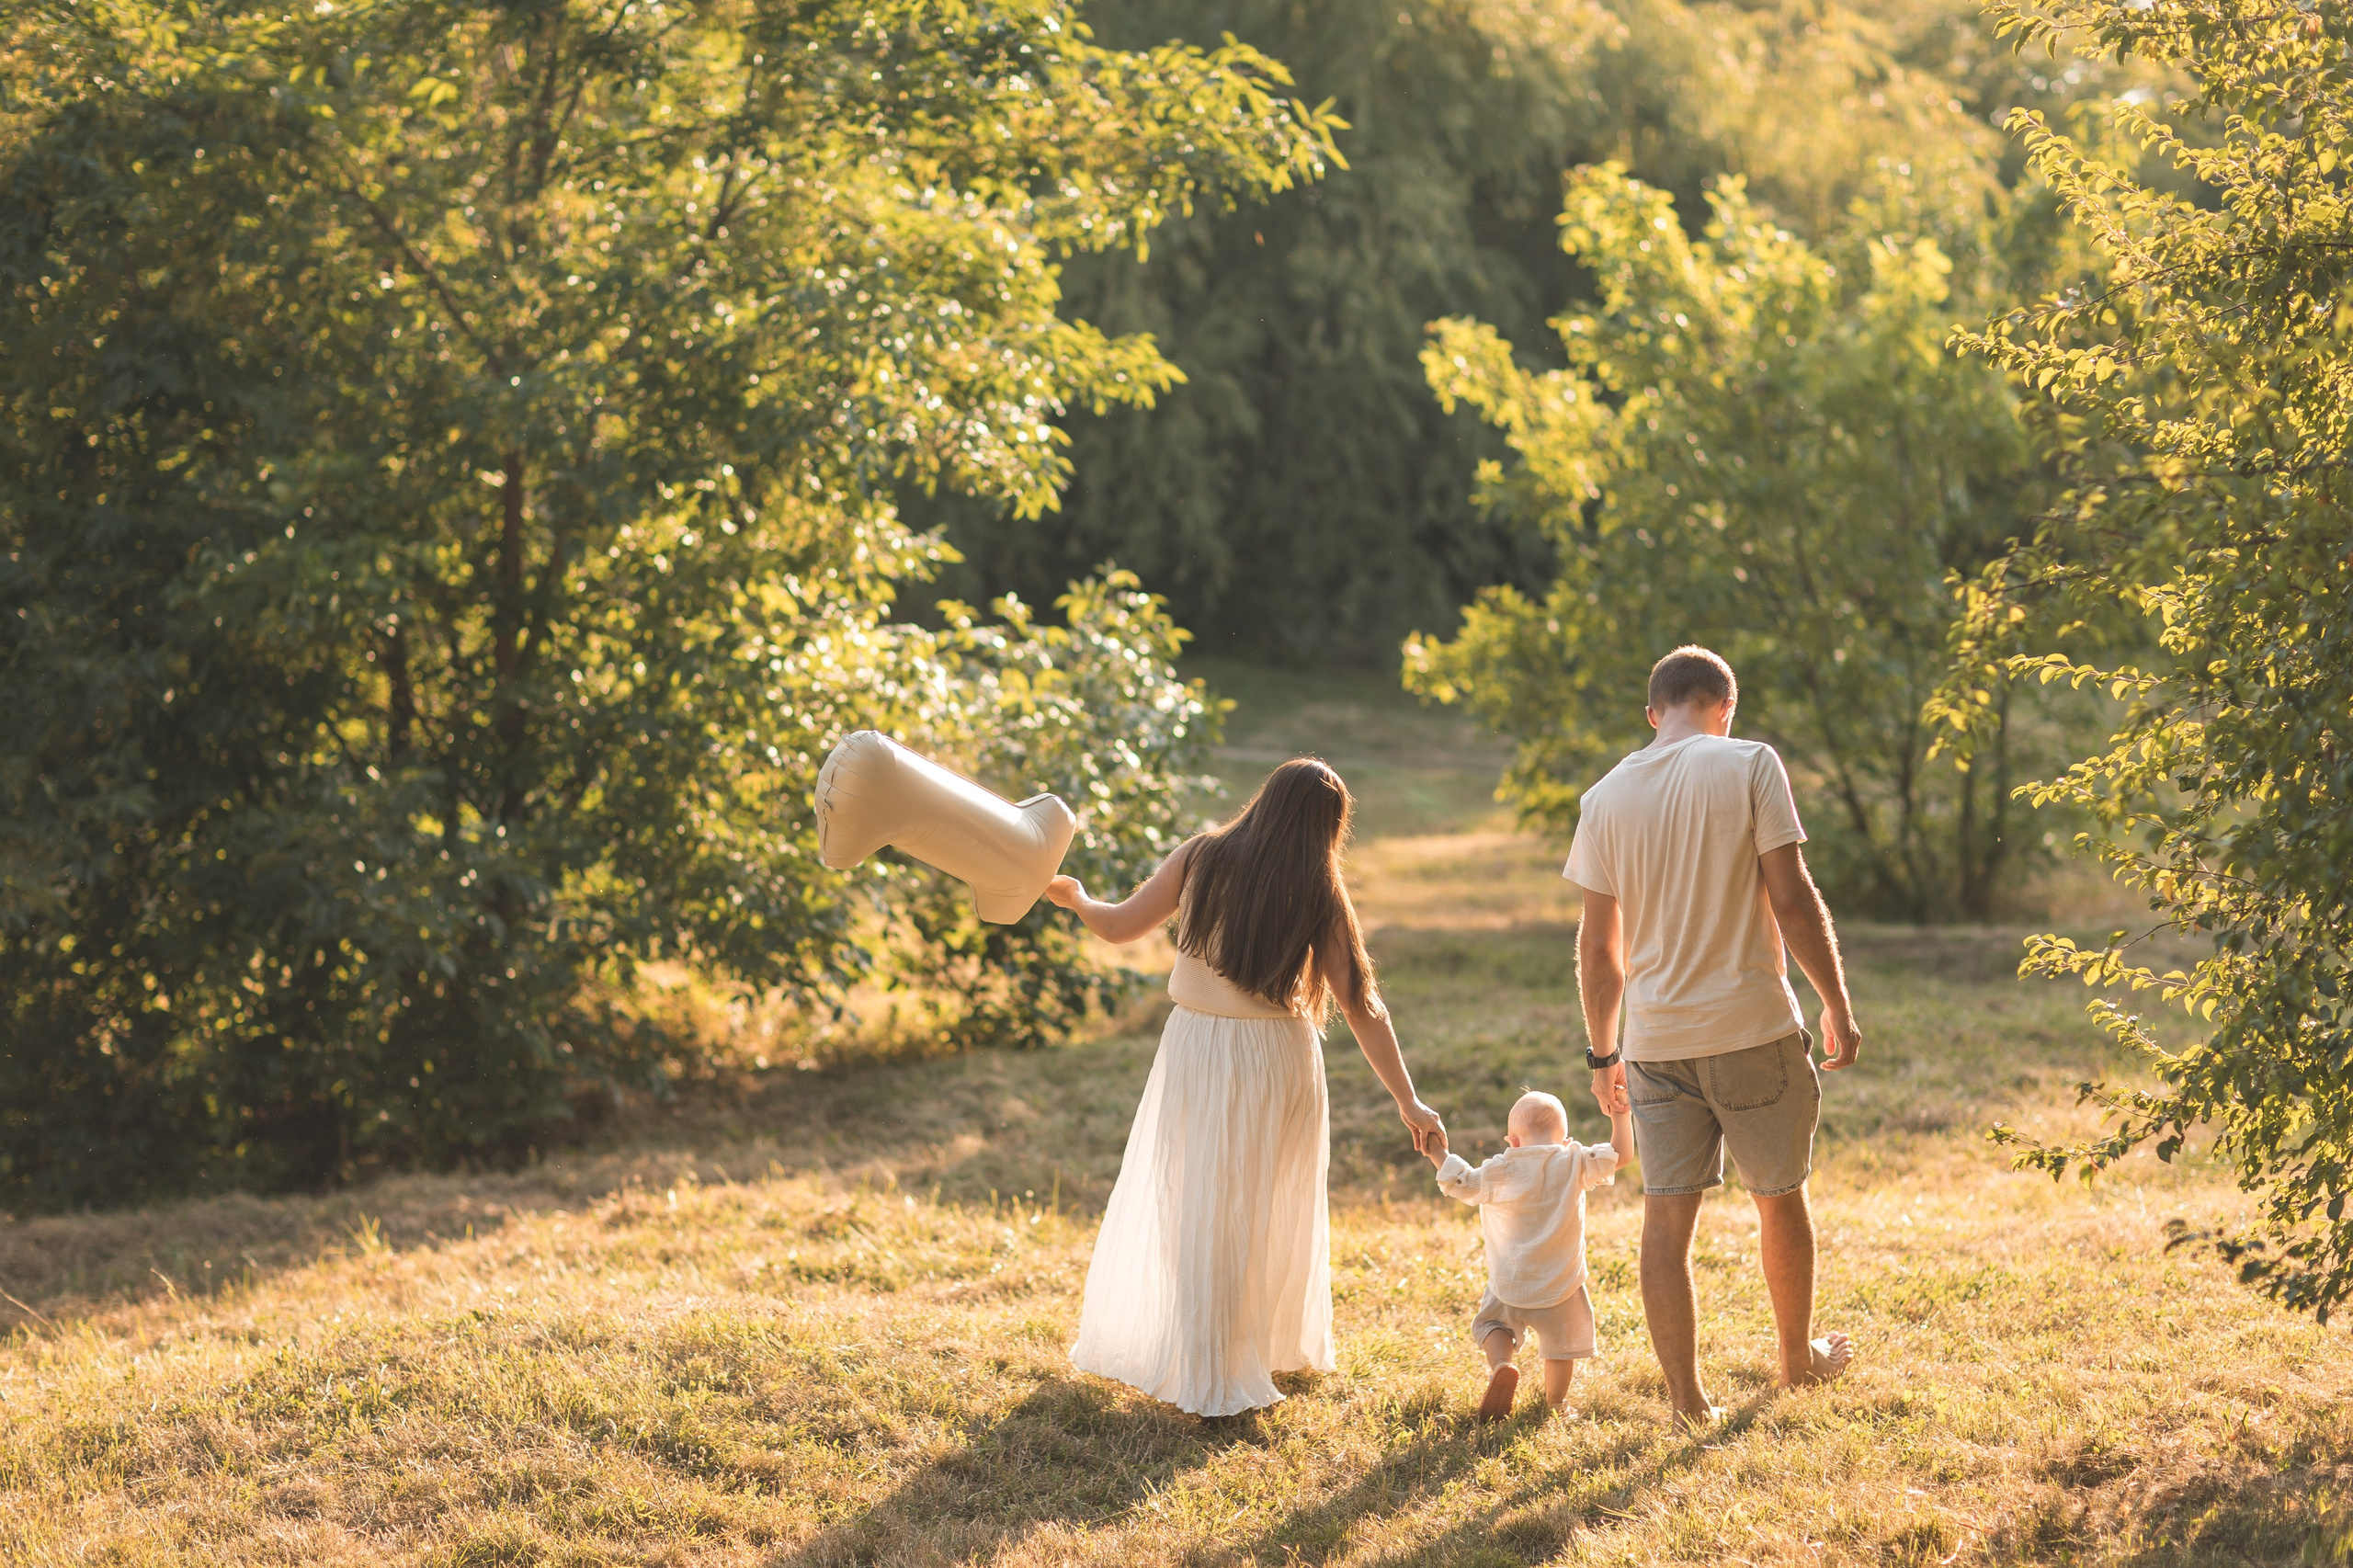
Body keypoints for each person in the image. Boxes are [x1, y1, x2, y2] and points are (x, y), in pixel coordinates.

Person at [1047, 758, 1446, 1417]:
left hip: (1198, 1046)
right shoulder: (1318, 888)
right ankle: (1247, 1349)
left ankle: (1208, 1357)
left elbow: (1117, 926)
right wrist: (1409, 1099)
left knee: (1197, 1200)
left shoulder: (1200, 857)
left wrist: (1077, 897)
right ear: (1327, 828)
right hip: (1277, 1057)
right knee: (1260, 1206)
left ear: (1264, 801)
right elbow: (1361, 1004)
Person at [1567, 645, 1863, 1427]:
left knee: (1666, 1217)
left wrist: (1603, 1054)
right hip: (1751, 1029)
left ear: (1652, 713)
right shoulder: (1750, 762)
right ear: (1727, 708)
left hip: (1654, 1043)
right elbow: (1792, 898)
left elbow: (1598, 951)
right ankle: (1796, 1362)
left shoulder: (1603, 797)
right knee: (1779, 1198)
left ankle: (1687, 1401)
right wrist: (1835, 1001)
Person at [1424, 1088, 1632, 1421]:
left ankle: (1501, 1365)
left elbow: (1462, 1182)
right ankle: (1556, 1403)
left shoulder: (1500, 1169)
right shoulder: (1575, 1160)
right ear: (1565, 1140)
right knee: (1561, 1347)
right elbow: (1620, 1155)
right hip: (1560, 1284)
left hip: (1510, 1282)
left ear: (1514, 1141)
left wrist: (1437, 1150)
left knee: (1492, 1324)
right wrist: (1621, 1116)